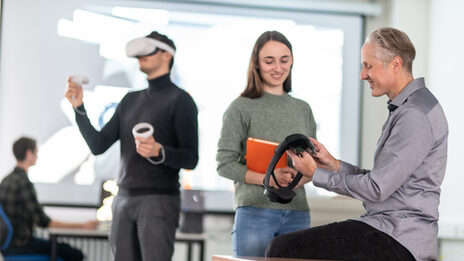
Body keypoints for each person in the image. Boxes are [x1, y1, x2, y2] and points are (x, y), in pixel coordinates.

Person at [266, 27, 448, 261]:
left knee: (283, 250)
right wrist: (332, 165)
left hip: (399, 237)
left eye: (368, 66)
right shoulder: (412, 107)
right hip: (394, 231)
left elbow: (377, 188)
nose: (363, 75)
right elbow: (382, 180)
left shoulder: (414, 114)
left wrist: (316, 174)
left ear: (395, 64)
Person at [64, 31, 198, 261]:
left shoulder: (181, 100)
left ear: (167, 55)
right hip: (123, 199)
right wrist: (79, 109)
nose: (140, 57)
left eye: (148, 52)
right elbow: (98, 145)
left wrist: (160, 152)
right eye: (138, 54)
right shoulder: (130, 100)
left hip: (159, 201)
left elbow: (191, 159)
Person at [216, 31, 317, 257]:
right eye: (269, 61)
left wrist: (299, 177)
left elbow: (313, 162)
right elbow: (224, 164)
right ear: (257, 64)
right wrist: (268, 179)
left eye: (284, 60)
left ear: (292, 61)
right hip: (254, 212)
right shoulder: (240, 107)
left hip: (297, 212)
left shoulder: (303, 109)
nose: (277, 68)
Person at [0, 137, 98, 261]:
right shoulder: (23, 182)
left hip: (8, 246)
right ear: (29, 154)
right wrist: (83, 226)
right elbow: (44, 222)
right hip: (22, 245)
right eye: (36, 152)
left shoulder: (5, 181)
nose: (37, 156)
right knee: (75, 254)